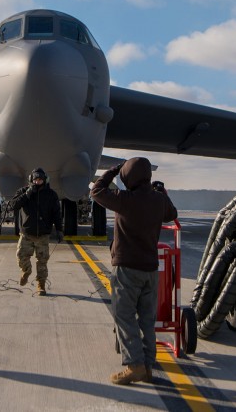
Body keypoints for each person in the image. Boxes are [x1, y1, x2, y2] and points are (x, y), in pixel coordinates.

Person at [90, 158, 177, 385]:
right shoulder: (158, 201)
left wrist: (112, 170)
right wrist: (161, 192)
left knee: (124, 316)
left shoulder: (124, 200)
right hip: (150, 269)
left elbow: (96, 191)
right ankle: (147, 366)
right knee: (147, 319)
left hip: (127, 268)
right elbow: (172, 213)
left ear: (129, 176)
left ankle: (134, 365)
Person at [9, 167, 63, 296]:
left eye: (40, 180)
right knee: (21, 257)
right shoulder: (23, 192)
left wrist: (60, 230)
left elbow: (56, 213)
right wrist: (27, 194)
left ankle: (41, 285)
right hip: (27, 233)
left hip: (43, 235)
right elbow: (13, 205)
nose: (38, 182)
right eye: (35, 180)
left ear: (45, 180)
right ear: (31, 180)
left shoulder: (51, 195)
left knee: (42, 262)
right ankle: (26, 271)